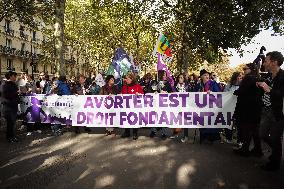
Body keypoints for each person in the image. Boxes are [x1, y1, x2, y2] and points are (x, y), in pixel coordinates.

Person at [257, 51, 284, 171]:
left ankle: (275, 162)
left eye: (266, 60)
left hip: (277, 113)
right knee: (262, 134)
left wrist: (269, 89)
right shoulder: (269, 75)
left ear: (274, 62)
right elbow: (266, 86)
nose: (264, 62)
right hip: (266, 110)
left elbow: (281, 94)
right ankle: (276, 152)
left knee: (275, 138)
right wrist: (260, 84)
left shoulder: (283, 76)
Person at [233, 63, 263, 157]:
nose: (244, 70)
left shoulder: (248, 78)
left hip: (247, 109)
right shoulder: (258, 78)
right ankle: (258, 150)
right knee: (255, 130)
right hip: (257, 108)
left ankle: (245, 150)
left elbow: (241, 91)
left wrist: (235, 92)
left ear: (251, 69)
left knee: (246, 129)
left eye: (245, 69)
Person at [194, 69, 221, 143]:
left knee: (211, 121)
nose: (207, 76)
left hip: (211, 106)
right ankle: (203, 137)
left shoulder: (213, 83)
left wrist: (212, 92)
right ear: (201, 77)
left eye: (208, 75)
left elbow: (219, 93)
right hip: (202, 107)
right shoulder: (198, 85)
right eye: (205, 75)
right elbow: (193, 94)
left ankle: (211, 138)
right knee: (202, 121)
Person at [149, 70, 173, 140]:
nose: (165, 76)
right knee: (154, 117)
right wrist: (157, 91)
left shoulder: (167, 83)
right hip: (156, 103)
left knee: (164, 117)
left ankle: (164, 133)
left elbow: (171, 92)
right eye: (164, 75)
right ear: (160, 75)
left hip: (164, 103)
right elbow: (150, 91)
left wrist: (167, 92)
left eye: (165, 75)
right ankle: (153, 131)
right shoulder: (154, 82)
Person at [121, 72, 144, 140]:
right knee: (126, 118)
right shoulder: (124, 87)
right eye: (126, 79)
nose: (126, 80)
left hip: (135, 106)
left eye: (127, 79)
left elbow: (142, 94)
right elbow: (122, 94)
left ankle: (135, 133)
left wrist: (138, 94)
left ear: (131, 79)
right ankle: (127, 132)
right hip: (126, 106)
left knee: (134, 119)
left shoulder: (137, 86)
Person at [223, 72, 243, 144]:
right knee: (228, 122)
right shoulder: (229, 85)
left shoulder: (243, 85)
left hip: (239, 107)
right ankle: (229, 138)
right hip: (229, 106)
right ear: (235, 77)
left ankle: (240, 140)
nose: (241, 77)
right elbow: (225, 93)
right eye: (239, 76)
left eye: (241, 76)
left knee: (239, 124)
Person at [1, 71, 19, 142]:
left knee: (12, 123)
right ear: (11, 76)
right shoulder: (4, 84)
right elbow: (6, 95)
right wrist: (16, 93)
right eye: (15, 76)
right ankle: (10, 137)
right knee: (10, 123)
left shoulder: (13, 84)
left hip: (13, 106)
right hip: (8, 107)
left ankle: (12, 136)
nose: (15, 78)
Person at [171, 74, 188, 140]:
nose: (180, 79)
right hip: (177, 106)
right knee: (176, 120)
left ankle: (186, 136)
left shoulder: (187, 86)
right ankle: (175, 133)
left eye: (181, 77)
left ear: (184, 79)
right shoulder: (175, 86)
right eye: (179, 77)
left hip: (185, 105)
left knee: (185, 121)